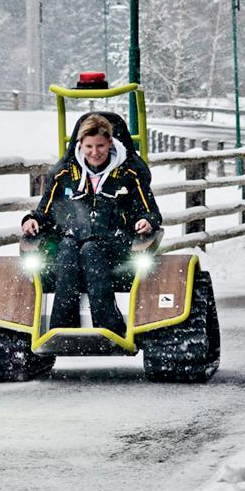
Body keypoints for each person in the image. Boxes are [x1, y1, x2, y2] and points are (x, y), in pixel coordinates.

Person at [21, 113, 162, 336]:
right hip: (71, 238)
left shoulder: (130, 173)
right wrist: (32, 220)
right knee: (68, 248)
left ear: (110, 143)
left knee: (90, 249)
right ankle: (62, 327)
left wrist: (146, 221)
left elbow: (150, 211)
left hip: (114, 241)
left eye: (100, 146)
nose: (94, 152)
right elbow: (45, 209)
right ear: (80, 144)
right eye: (88, 146)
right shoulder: (64, 173)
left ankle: (109, 325)